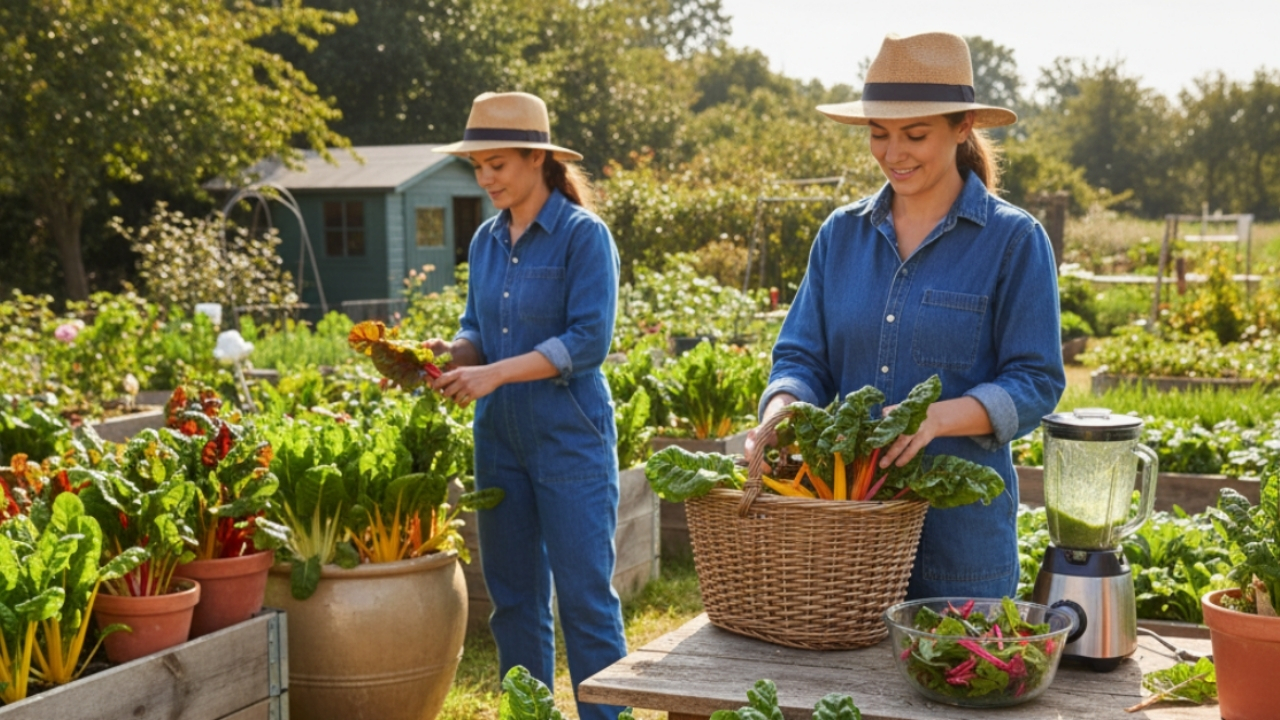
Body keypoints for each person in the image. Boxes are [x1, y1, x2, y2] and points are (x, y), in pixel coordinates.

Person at [749, 32, 1066, 599]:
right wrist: (781, 410)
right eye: (879, 134)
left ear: (962, 127)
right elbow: (801, 356)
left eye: (915, 134)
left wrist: (937, 419)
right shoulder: (840, 235)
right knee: (835, 690)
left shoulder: (1014, 241)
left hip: (960, 547)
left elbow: (1036, 381)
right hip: (843, 538)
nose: (893, 153)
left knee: (952, 683)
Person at [426, 91, 627, 720]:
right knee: (512, 598)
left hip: (571, 435)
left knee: (585, 599)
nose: (485, 178)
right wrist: (449, 353)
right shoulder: (486, 241)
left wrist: (492, 375)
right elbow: (476, 330)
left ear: (537, 158)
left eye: (498, 164)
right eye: (478, 166)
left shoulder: (582, 237)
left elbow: (586, 342)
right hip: (501, 440)